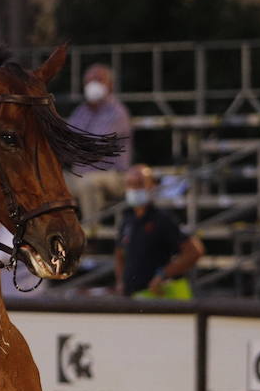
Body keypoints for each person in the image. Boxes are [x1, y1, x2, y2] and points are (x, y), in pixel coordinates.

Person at [114, 165, 203, 299]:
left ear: (152, 186)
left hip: (158, 297)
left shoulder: (162, 219)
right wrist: (121, 282)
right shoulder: (127, 219)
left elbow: (194, 251)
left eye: (139, 184)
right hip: (133, 297)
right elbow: (119, 254)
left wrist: (163, 275)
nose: (134, 189)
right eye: (130, 185)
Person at [67, 64, 133, 235]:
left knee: (89, 182)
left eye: (98, 80)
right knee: (46, 178)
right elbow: (66, 140)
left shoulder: (117, 112)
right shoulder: (81, 111)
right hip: (79, 173)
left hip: (113, 175)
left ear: (109, 85)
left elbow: (96, 145)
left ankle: (90, 235)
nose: (92, 84)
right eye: (89, 81)